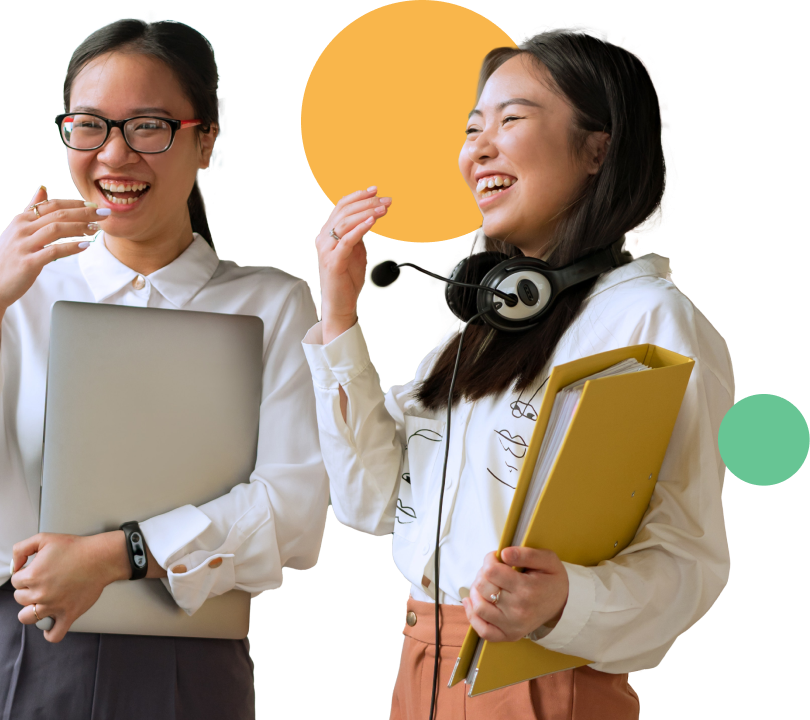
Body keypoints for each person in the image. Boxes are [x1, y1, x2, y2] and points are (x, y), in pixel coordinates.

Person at [0, 15, 328, 720]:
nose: (114, 156)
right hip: (13, 654)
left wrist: (120, 554)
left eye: (148, 126)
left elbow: (296, 519)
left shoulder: (272, 304)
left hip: (190, 666)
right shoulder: (12, 288)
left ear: (206, 139)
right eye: (88, 125)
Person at [305, 26, 730, 719]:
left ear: (600, 147)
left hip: (544, 682)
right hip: (419, 667)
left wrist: (570, 600)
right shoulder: (480, 328)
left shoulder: (652, 321)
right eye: (473, 128)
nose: (478, 148)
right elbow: (369, 503)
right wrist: (340, 315)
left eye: (511, 120)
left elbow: (690, 560)